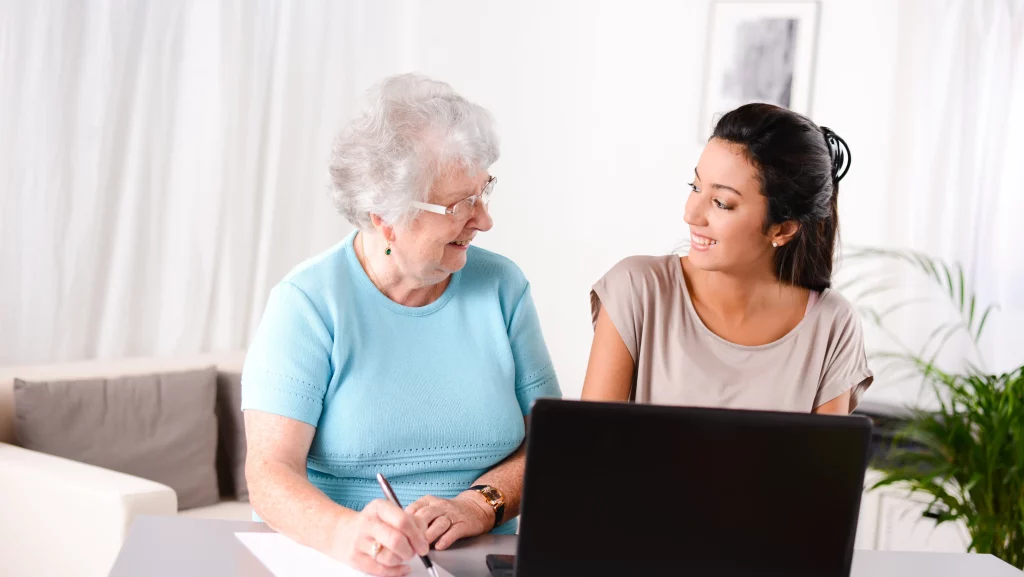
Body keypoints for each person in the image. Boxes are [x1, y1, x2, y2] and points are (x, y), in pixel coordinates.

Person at [241, 73, 560, 577]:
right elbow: (268, 472)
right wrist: (346, 534)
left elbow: (550, 439)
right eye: (461, 204)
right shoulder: (308, 303)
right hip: (348, 564)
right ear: (386, 215)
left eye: (484, 192)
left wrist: (479, 505)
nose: (485, 220)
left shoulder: (503, 288)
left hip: (485, 564)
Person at [582, 103, 872, 415]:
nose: (690, 214)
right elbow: (588, 449)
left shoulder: (832, 324)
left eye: (721, 203)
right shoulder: (637, 289)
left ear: (783, 228)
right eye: (695, 187)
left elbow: (823, 464)